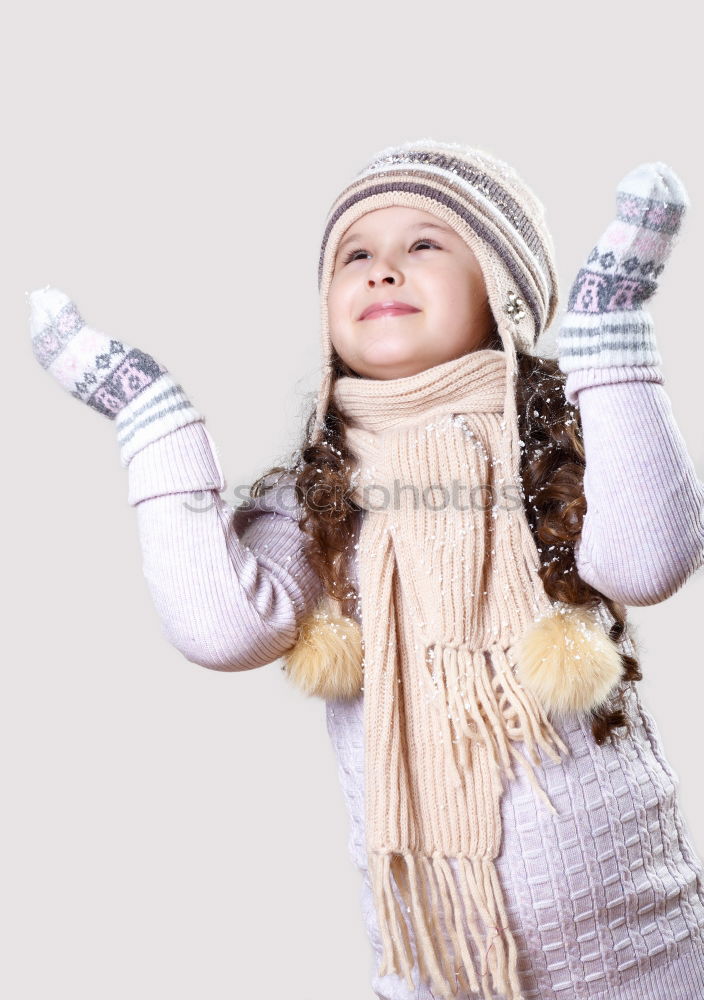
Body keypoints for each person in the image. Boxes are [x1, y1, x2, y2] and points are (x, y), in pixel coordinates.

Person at [27, 139, 704, 1000]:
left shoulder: (558, 447)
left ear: (501, 290)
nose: (383, 269)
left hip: (646, 953)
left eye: (424, 244)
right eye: (355, 254)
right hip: (433, 959)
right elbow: (221, 625)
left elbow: (650, 557)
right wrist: (153, 422)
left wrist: (611, 338)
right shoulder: (322, 497)